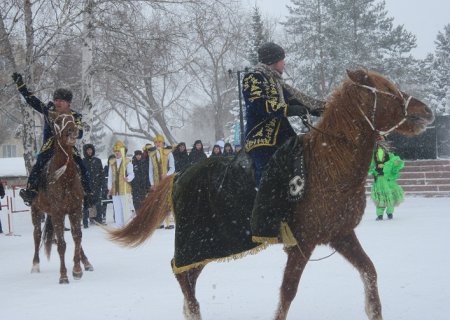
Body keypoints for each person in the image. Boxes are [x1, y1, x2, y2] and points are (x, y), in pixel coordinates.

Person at [243, 42, 325, 187]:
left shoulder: (277, 82)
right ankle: (262, 201)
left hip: (283, 135)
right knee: (267, 178)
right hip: (262, 138)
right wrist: (288, 110)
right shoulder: (253, 77)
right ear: (273, 61)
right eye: (282, 60)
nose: (284, 63)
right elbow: (258, 105)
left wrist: (328, 109)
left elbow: (300, 100)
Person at [11, 73, 93, 206]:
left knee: (82, 166)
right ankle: (31, 190)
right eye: (56, 100)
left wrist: (73, 133)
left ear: (68, 103)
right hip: (50, 145)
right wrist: (21, 86)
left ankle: (88, 193)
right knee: (39, 164)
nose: (57, 102)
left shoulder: (75, 116)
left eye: (61, 100)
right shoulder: (48, 110)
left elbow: (80, 133)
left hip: (67, 147)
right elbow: (32, 100)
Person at [369, 139, 405, 220]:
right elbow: (371, 167)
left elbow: (395, 164)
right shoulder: (374, 155)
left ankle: (388, 213)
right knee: (383, 197)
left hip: (386, 179)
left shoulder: (390, 155)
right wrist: (375, 170)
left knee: (387, 196)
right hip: (381, 179)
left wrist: (395, 163)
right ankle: (382, 214)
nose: (380, 147)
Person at [148, 134, 175, 229]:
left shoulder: (168, 153)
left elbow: (172, 167)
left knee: (167, 200)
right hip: (157, 182)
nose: (157, 144)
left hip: (166, 181)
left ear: (163, 143)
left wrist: (167, 174)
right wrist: (152, 183)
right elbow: (150, 170)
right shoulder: (152, 155)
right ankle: (160, 221)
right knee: (158, 201)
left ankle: (170, 221)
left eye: (159, 142)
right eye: (156, 142)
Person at [108, 141, 135, 228]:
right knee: (117, 208)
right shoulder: (112, 162)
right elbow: (110, 176)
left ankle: (127, 225)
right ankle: (119, 225)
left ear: (122, 151)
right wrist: (110, 187)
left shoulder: (127, 161)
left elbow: (132, 174)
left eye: (118, 151)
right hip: (115, 189)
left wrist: (128, 178)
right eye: (115, 151)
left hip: (124, 188)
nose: (117, 153)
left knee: (125, 208)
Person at [82, 144, 104, 228]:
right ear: (85, 151)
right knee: (86, 206)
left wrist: (100, 185)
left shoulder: (97, 160)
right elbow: (81, 175)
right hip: (86, 188)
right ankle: (85, 223)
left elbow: (102, 174)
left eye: (91, 150)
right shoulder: (82, 161)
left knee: (98, 204)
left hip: (97, 187)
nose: (89, 151)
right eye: (88, 150)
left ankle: (99, 220)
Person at [99, 154, 115, 224]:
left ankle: (116, 216)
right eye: (111, 159)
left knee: (115, 203)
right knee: (104, 203)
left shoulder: (117, 167)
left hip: (114, 188)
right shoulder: (105, 168)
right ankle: (103, 216)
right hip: (106, 188)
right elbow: (103, 178)